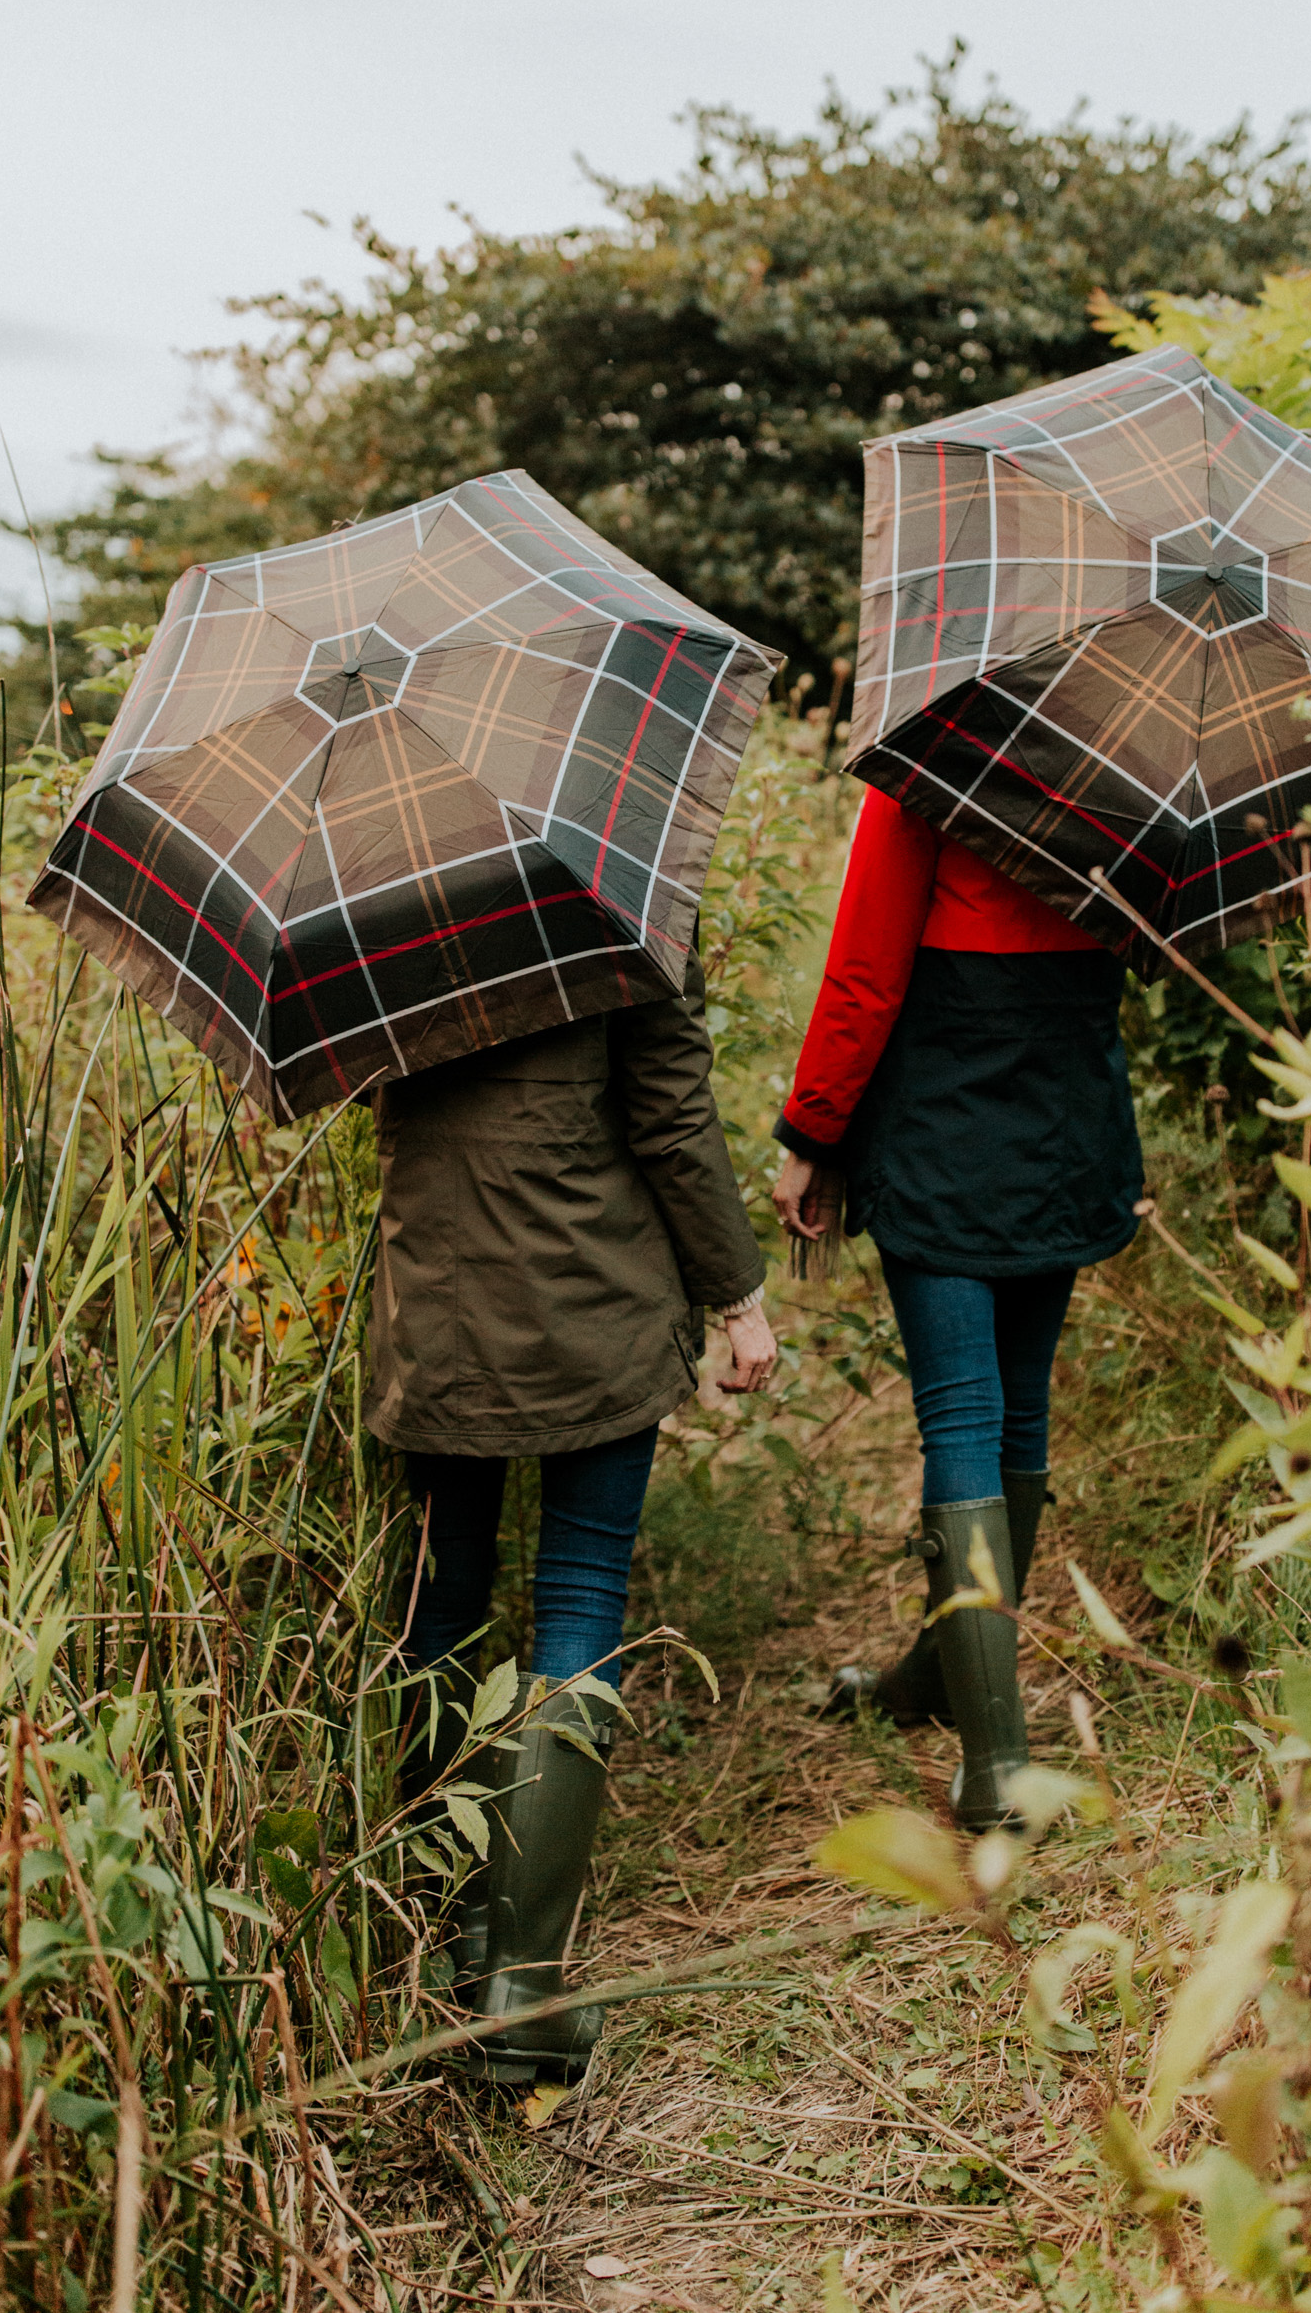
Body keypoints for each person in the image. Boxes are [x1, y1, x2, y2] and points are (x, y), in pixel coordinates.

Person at [369, 951, 775, 2084]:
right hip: (592, 1295)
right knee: (582, 1586)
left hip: (435, 1304)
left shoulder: (384, 886)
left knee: (438, 1600)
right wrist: (738, 1299)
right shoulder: (618, 891)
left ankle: (435, 1932)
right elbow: (670, 1113)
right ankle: (521, 1989)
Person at [771, 787, 1144, 1829]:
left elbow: (865, 968)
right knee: (1016, 1415)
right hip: (1066, 1118)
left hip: (948, 1123)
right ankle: (947, 1675)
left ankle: (995, 1769)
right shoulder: (1122, 749)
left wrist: (813, 1129)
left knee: (964, 1421)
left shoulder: (933, 758)